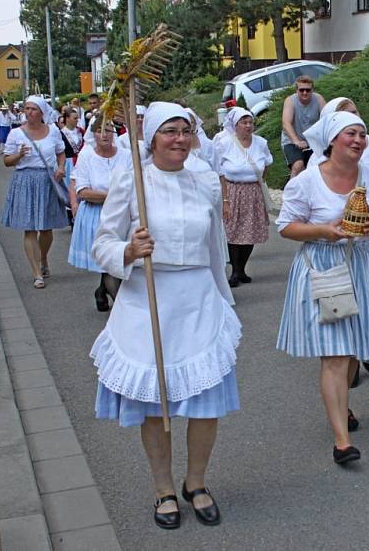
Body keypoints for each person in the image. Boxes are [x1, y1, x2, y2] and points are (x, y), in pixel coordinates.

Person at [91, 102, 238, 529]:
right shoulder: (131, 180)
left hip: (197, 299)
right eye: (169, 131)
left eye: (185, 131)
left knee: (204, 402)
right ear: (152, 138)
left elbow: (215, 247)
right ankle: (163, 489)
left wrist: (222, 296)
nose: (179, 139)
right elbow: (102, 243)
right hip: (147, 299)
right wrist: (128, 252)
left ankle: (196, 482)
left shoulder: (206, 181)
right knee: (156, 407)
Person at [277, 111, 369, 465]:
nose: (358, 140)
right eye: (351, 134)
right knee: (336, 354)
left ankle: (343, 408)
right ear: (331, 141)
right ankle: (342, 441)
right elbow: (286, 227)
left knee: (351, 349)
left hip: (362, 266)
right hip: (325, 267)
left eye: (362, 134)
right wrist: (325, 230)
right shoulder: (308, 181)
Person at [309, 96, 369, 380]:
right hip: (334, 255)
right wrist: (324, 230)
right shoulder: (315, 169)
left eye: (358, 121)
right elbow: (296, 219)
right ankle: (347, 366)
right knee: (342, 312)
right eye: (349, 128)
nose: (358, 137)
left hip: (367, 245)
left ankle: (362, 352)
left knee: (366, 305)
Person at [1, 96, 68, 289]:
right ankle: (36, 272)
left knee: (46, 228)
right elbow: (6, 161)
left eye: (33, 109)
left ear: (41, 112)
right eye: (26, 108)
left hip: (47, 180)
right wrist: (19, 155)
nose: (28, 112)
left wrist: (61, 167)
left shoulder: (53, 131)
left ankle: (43, 258)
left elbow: (60, 152)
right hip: (24, 180)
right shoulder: (16, 134)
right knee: (29, 228)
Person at [68, 121, 129, 311]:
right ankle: (123, 309)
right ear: (93, 134)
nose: (105, 134)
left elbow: (132, 183)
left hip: (120, 214)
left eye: (109, 130)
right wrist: (113, 195)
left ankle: (102, 292)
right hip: (96, 215)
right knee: (108, 265)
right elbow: (83, 191)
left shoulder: (125, 155)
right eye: (100, 131)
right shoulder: (87, 156)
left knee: (115, 261)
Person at [216, 108, 272, 287]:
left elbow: (267, 165)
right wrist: (224, 198)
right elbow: (219, 172)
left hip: (253, 193)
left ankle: (241, 269)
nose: (248, 126)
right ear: (235, 125)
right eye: (244, 122)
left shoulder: (261, 143)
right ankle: (234, 272)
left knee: (250, 232)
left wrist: (259, 184)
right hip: (232, 191)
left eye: (250, 122)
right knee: (233, 232)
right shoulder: (224, 143)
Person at [280, 75, 325, 178]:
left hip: (312, 141)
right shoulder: (290, 101)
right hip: (292, 140)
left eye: (308, 90)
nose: (305, 93)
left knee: (318, 167)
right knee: (298, 165)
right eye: (302, 90)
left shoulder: (318, 99)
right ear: (297, 91)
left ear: (312, 90)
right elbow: (286, 123)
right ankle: (291, 192)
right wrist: (296, 141)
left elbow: (326, 118)